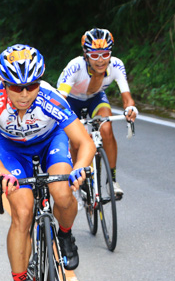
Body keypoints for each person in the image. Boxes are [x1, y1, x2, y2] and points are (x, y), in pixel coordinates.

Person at [0, 44, 95, 281]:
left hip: (50, 142)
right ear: (3, 83)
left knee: (61, 191)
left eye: (31, 85)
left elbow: (84, 142)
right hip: (12, 150)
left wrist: (79, 168)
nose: (24, 93)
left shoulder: (50, 98)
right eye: (15, 87)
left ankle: (64, 235)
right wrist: (2, 174)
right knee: (22, 211)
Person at [56, 28, 138, 200]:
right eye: (94, 55)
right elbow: (59, 100)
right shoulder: (75, 66)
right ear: (85, 55)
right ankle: (79, 178)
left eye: (105, 54)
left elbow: (127, 98)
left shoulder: (116, 64)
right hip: (71, 101)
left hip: (95, 98)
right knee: (77, 141)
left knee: (106, 129)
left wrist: (131, 110)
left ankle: (112, 180)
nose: (100, 60)